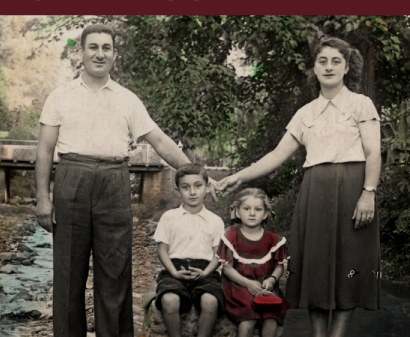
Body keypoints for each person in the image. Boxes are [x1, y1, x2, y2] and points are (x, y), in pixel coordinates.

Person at [35, 24, 197, 337]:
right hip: (71, 179)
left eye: (106, 48)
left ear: (114, 55)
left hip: (114, 182)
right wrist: (43, 197)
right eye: (92, 47)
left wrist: (192, 170)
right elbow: (44, 150)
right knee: (69, 274)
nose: (99, 53)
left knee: (115, 272)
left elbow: (160, 142)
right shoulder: (60, 96)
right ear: (80, 52)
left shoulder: (127, 100)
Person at [217, 37, 381, 337]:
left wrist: (368, 193)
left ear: (346, 68)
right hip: (315, 193)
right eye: (322, 61)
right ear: (314, 68)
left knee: (350, 266)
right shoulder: (305, 113)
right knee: (316, 268)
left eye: (336, 61)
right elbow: (276, 156)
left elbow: (373, 153)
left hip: (353, 191)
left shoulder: (361, 104)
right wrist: (239, 177)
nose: (329, 67)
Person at [153, 163, 225, 337]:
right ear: (178, 190)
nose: (192, 192)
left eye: (198, 186)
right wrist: (174, 272)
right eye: (186, 187)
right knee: (169, 300)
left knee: (210, 301)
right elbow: (162, 250)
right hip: (174, 270)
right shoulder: (169, 217)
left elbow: (219, 254)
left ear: (207, 188)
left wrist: (206, 272)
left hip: (205, 271)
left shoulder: (215, 221)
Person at [218, 188, 289, 337]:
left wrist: (272, 279)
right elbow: (227, 268)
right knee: (248, 318)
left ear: (265, 214)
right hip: (239, 285)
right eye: (246, 208)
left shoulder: (273, 239)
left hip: (265, 285)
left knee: (271, 318)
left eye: (257, 209)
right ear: (238, 212)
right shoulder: (231, 236)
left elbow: (279, 266)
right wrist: (248, 283)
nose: (252, 213)